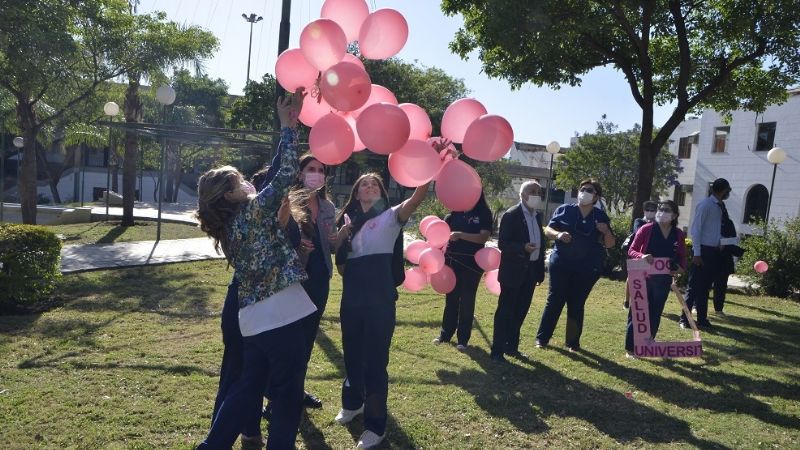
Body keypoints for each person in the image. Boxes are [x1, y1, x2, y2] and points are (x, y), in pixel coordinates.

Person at [195, 88, 315, 450]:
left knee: (248, 389)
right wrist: (286, 127)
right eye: (239, 181)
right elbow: (288, 173)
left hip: (252, 321)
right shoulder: (255, 210)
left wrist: (287, 127)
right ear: (229, 195)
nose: (248, 181)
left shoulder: (228, 226)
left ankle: (211, 446)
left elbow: (277, 170)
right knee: (288, 394)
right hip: (283, 315)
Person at [332, 172, 432, 449]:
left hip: (379, 302)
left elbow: (417, 198)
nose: (369, 186)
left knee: (375, 364)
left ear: (381, 193)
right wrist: (340, 238)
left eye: (375, 184)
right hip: (351, 299)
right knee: (351, 354)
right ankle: (352, 404)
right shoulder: (347, 220)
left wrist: (429, 171)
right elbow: (339, 262)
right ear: (356, 191)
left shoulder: (390, 216)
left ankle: (376, 427)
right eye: (364, 182)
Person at [284, 153, 347, 408]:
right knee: (289, 338)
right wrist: (299, 249)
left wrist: (339, 236)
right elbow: (279, 243)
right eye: (311, 169)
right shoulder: (287, 203)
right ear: (300, 173)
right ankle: (279, 397)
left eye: (321, 170)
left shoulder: (329, 207)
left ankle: (297, 390)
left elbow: (330, 246)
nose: (317, 174)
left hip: (320, 277)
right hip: (294, 278)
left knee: (308, 337)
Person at [535, 178, 615, 351]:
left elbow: (610, 244)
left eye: (590, 190)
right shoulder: (564, 210)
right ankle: (542, 339)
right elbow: (548, 230)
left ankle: (572, 343)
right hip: (561, 263)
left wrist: (606, 231)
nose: (584, 192)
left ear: (596, 197)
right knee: (555, 300)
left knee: (577, 303)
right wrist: (558, 234)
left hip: (587, 268)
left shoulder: (600, 217)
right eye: (583, 188)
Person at [489, 181, 546, 362]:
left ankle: (511, 346)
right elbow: (503, 243)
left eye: (538, 191)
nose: (536, 194)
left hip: (530, 271)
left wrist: (539, 270)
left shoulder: (538, 216)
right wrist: (522, 247)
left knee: (521, 310)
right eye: (532, 191)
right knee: (505, 311)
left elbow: (542, 243)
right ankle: (497, 350)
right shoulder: (511, 215)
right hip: (513, 272)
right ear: (523, 195)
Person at [432, 191, 493, 351]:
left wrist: (460, 235)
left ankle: (463, 339)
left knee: (467, 300)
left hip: (472, 264)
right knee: (451, 299)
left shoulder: (483, 213)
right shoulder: (454, 214)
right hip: (452, 261)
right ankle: (445, 334)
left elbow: (483, 237)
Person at [625, 200, 687, 356]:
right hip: (642, 277)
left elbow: (682, 257)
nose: (661, 212)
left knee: (655, 311)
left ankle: (647, 343)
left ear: (674, 215)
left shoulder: (678, 234)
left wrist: (680, 268)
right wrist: (642, 255)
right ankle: (631, 348)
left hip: (663, 280)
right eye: (660, 209)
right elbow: (631, 250)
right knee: (638, 311)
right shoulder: (646, 229)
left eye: (666, 210)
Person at [680, 178, 731, 329]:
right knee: (693, 287)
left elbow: (715, 229)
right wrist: (697, 253)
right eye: (728, 190)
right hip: (703, 251)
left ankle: (702, 319)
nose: (728, 193)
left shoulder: (720, 206)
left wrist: (720, 241)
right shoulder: (706, 205)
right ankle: (685, 319)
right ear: (722, 190)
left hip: (713, 252)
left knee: (705, 288)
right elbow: (696, 230)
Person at [622, 200, 658, 309]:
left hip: (651, 255)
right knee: (631, 277)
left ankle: (644, 302)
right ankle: (627, 301)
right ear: (644, 211)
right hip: (636, 253)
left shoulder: (658, 224)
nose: (650, 212)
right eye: (648, 210)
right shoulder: (639, 221)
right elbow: (638, 232)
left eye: (653, 210)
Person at [712, 201, 744, 316]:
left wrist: (723, 243)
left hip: (724, 259)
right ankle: (696, 306)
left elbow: (732, 240)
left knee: (721, 286)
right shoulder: (708, 222)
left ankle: (718, 309)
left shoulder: (728, 223)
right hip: (710, 256)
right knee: (704, 284)